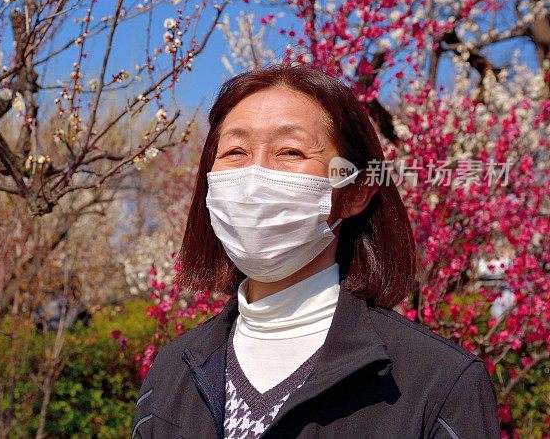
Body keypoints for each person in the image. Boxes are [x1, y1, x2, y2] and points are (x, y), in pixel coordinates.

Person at [131, 64, 499, 438]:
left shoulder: (438, 383)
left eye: (290, 151)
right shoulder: (173, 371)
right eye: (236, 151)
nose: (254, 177)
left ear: (355, 191)